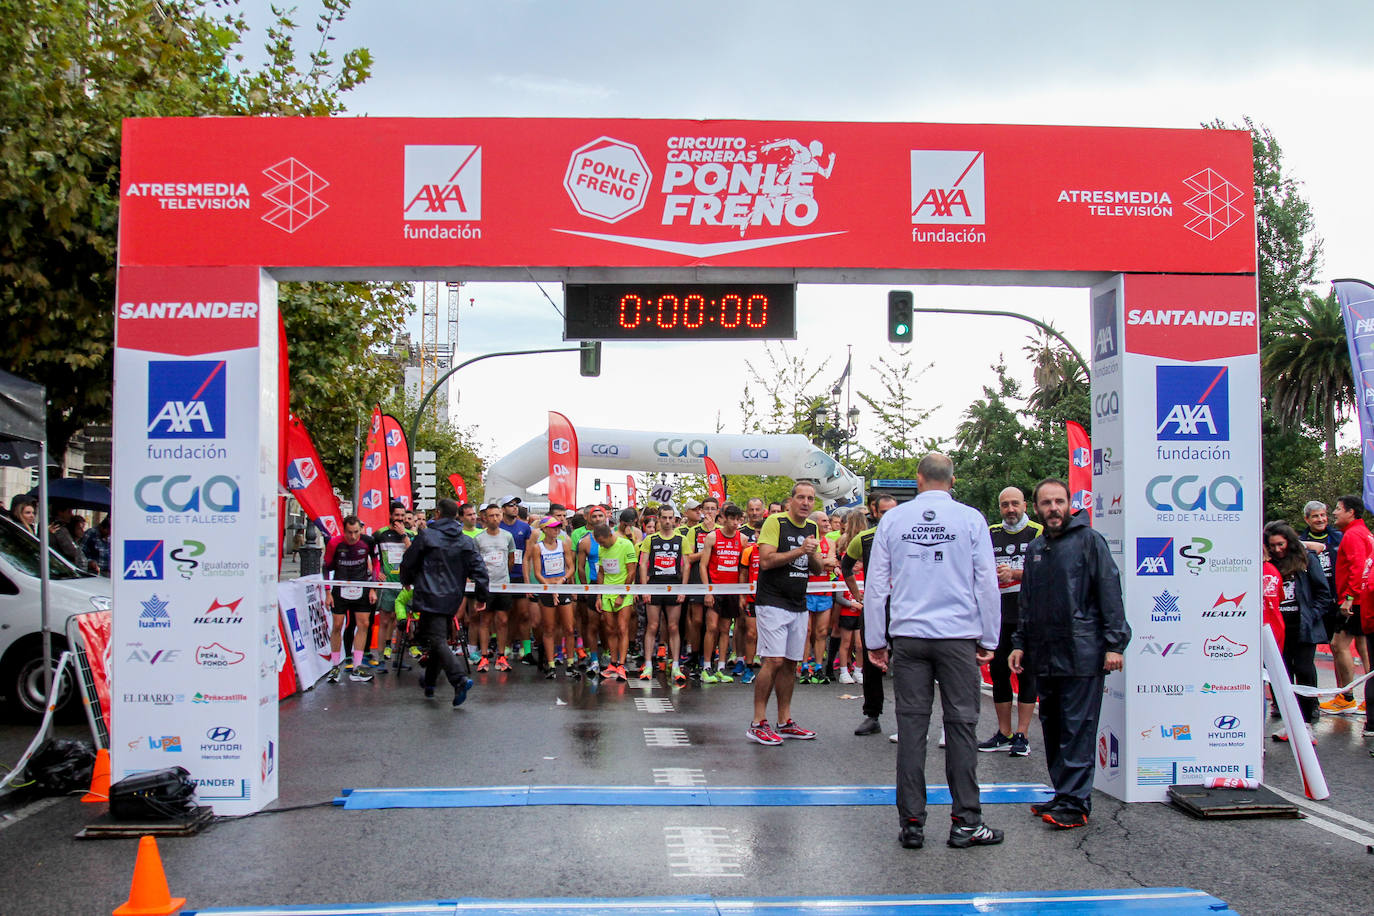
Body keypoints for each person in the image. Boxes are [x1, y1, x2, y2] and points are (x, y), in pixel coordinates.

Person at [864, 454, 1003, 850]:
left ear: (919, 480)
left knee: (911, 729)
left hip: (909, 635)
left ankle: (911, 822)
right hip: (958, 635)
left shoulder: (893, 519)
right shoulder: (971, 519)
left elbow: (877, 586)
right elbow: (986, 584)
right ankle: (966, 822)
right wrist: (989, 638)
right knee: (961, 727)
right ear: (952, 480)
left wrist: (876, 639)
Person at [1009, 478, 1129, 830]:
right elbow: (1026, 601)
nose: (1053, 508)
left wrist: (1114, 644)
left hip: (1082, 652)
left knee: (1077, 728)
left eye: (1059, 501)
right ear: (1037, 508)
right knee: (1054, 726)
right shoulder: (1036, 548)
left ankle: (1076, 803)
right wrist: (1019, 643)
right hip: (1044, 654)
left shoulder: (1089, 540)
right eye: (1046, 503)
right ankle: (1064, 793)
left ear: (1069, 503)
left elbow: (1109, 590)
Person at [748, 482, 825, 746]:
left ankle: (785, 720)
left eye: (810, 499)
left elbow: (815, 569)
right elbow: (766, 561)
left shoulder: (813, 527)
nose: (805, 503)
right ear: (791, 500)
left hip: (798, 602)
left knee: (792, 663)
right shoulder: (775, 523)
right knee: (774, 661)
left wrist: (814, 556)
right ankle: (758, 722)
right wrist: (800, 550)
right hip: (772, 601)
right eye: (801, 498)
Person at [399, 498, 489, 706]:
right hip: (451, 597)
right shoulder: (465, 540)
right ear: (456, 516)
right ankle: (429, 683)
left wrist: (406, 580)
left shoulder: (427, 535)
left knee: (437, 640)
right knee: (435, 639)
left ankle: (458, 679)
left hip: (429, 595)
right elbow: (480, 570)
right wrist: (481, 596)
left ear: (438, 513)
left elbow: (409, 561)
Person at [981, 486, 1043, 757]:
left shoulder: (1039, 533)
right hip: (998, 614)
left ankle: (1023, 734)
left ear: (1025, 505)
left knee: (1028, 673)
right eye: (1005, 504)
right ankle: (1004, 732)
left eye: (1015, 504)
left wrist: (1016, 572)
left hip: (1029, 614)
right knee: (998, 673)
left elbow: (1049, 568)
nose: (1010, 509)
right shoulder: (991, 532)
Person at [1264, 520, 1330, 742]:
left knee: (1303, 670)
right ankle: (1289, 722)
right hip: (1276, 629)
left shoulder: (1306, 560)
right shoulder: (1267, 564)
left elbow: (1323, 594)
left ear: (1289, 542)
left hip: (1303, 628)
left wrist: (1311, 616)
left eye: (1280, 544)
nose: (1277, 549)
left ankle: (1307, 721)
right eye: (1272, 545)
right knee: (1281, 675)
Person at [844, 492, 898, 736]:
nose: (889, 517)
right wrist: (857, 596)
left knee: (908, 663)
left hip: (904, 608)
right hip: (875, 608)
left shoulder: (908, 536)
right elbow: (845, 566)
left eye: (893, 511)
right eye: (884, 512)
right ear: (874, 513)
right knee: (871, 661)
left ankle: (909, 719)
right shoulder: (864, 538)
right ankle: (872, 715)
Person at [1327, 495, 1371, 716]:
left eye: (1338, 508)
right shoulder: (1364, 532)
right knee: (1364, 649)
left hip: (1356, 600)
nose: (1334, 513)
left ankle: (1347, 697)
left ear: (1351, 512)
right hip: (1364, 599)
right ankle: (1368, 701)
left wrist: (1349, 598)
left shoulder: (1353, 534)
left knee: (1338, 645)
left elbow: (1358, 568)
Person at [322, 515, 379, 684]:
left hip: (361, 587)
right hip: (340, 588)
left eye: (356, 532)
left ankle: (357, 666)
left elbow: (376, 564)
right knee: (338, 625)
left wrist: (373, 588)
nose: (353, 536)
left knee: (364, 625)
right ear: (343, 530)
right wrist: (327, 592)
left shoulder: (368, 542)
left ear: (360, 530)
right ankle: (334, 667)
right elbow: (326, 567)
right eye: (349, 533)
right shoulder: (334, 543)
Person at [639, 505, 687, 684]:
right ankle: (648, 664)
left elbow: (686, 565)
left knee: (673, 627)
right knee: (652, 626)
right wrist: (645, 589)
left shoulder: (681, 539)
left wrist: (683, 589)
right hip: (654, 585)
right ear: (658, 519)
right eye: (664, 518)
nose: (667, 521)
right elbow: (643, 564)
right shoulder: (651, 539)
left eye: (670, 518)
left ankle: (675, 665)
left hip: (674, 585)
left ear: (674, 519)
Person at [700, 503, 746, 683]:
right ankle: (706, 667)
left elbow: (743, 568)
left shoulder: (742, 539)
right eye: (732, 519)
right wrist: (708, 591)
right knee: (711, 627)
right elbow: (703, 566)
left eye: (738, 519)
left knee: (725, 629)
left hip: (732, 591)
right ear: (724, 519)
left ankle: (721, 667)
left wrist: (742, 594)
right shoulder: (712, 537)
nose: (735, 523)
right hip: (715, 589)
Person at [527, 516, 575, 679]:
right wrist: (549, 586)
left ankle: (570, 663)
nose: (557, 530)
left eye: (558, 527)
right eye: (553, 527)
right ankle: (551, 664)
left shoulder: (563, 544)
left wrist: (562, 580)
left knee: (568, 628)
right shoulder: (537, 548)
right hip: (547, 590)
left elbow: (571, 567)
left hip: (562, 587)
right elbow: (537, 572)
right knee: (548, 628)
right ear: (544, 529)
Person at [474, 504, 517, 673]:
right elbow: (475, 561)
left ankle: (501, 656)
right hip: (486, 586)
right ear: (485, 518)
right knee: (485, 620)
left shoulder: (507, 536)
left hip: (503, 584)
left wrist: (504, 575)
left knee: (503, 620)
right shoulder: (478, 539)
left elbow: (511, 559)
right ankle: (484, 656)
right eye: (491, 516)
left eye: (497, 515)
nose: (495, 519)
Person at [593, 523, 638, 679]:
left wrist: (622, 596)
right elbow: (601, 573)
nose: (601, 545)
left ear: (610, 536)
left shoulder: (626, 545)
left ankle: (621, 664)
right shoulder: (601, 548)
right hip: (607, 593)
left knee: (622, 628)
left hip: (623, 592)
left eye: (603, 542)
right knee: (610, 629)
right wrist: (598, 596)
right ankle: (612, 662)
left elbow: (632, 572)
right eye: (599, 543)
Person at [373, 502, 412, 669]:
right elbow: (371, 555)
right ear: (390, 515)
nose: (400, 519)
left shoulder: (410, 534)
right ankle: (381, 659)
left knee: (402, 622)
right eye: (397, 515)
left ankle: (399, 658)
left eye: (403, 516)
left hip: (404, 585)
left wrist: (404, 535)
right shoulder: (380, 534)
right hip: (388, 583)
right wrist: (376, 571)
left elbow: (413, 552)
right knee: (385, 621)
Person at [498, 496, 535, 666]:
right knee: (506, 616)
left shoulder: (525, 527)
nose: (515, 508)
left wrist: (527, 580)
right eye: (511, 505)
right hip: (502, 576)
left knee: (524, 614)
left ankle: (526, 650)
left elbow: (527, 556)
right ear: (503, 509)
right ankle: (505, 647)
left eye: (516, 505)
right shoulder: (498, 526)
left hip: (520, 575)